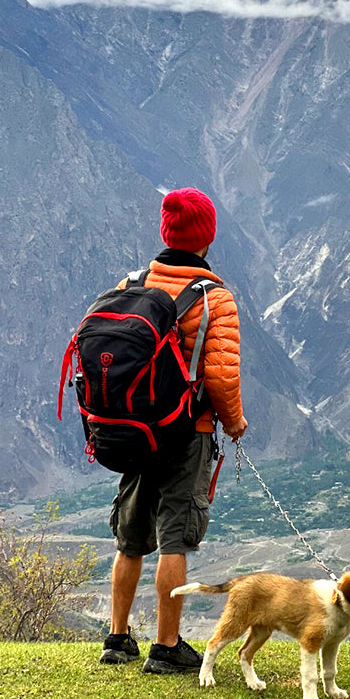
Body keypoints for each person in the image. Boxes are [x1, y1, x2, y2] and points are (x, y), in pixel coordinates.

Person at [100, 187, 248, 673]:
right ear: (207, 238)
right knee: (174, 539)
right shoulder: (214, 299)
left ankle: (117, 638)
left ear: (166, 232)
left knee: (130, 534)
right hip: (187, 433)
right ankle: (166, 646)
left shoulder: (133, 283)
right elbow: (221, 377)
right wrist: (235, 423)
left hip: (134, 430)